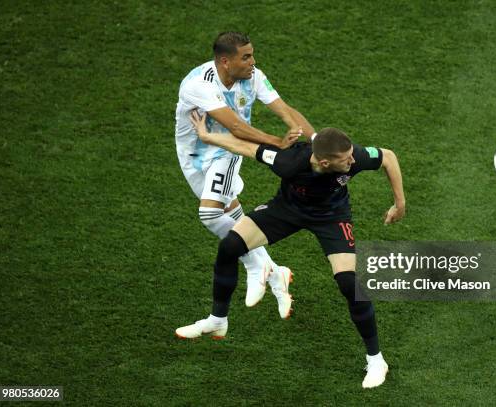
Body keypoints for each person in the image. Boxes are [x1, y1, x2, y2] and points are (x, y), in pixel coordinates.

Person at [176, 111, 406, 389]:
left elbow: (388, 157)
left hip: (331, 217)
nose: (353, 160)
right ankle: (217, 320)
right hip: (287, 211)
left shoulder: (352, 155)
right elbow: (246, 147)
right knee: (230, 246)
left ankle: (376, 359)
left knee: (348, 282)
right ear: (324, 162)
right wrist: (206, 135)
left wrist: (399, 203)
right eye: (346, 160)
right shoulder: (288, 161)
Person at [174, 32, 315, 318]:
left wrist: (317, 141)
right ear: (225, 61)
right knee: (228, 209)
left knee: (210, 214)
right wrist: (277, 141)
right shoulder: (198, 85)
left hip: (227, 150)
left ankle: (255, 265)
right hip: (193, 154)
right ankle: (275, 273)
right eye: (246, 57)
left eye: (252, 54)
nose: (253, 61)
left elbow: (285, 111)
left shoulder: (254, 77)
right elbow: (237, 125)